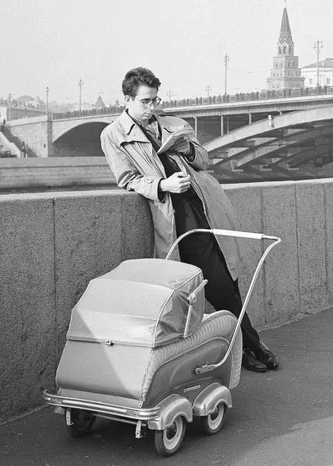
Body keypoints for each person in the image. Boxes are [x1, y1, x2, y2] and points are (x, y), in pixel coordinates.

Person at [100, 67, 279, 373]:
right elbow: (127, 179)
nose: (152, 108)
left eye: (156, 100)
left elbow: (205, 159)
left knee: (227, 282)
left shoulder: (172, 123)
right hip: (176, 217)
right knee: (216, 285)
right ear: (127, 100)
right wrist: (161, 186)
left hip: (207, 207)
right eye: (146, 102)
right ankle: (249, 345)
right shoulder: (113, 135)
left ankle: (245, 347)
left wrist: (186, 148)